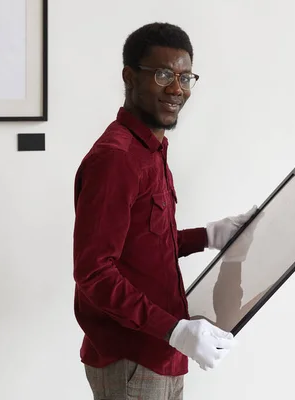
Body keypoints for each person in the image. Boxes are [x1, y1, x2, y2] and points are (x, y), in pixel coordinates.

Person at [72, 22, 256, 400]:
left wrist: (208, 236)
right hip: (131, 358)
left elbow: (141, 246)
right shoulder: (116, 160)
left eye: (185, 77)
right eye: (162, 74)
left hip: (161, 351)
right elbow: (93, 272)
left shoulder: (151, 149)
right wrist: (175, 330)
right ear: (129, 76)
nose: (177, 88)